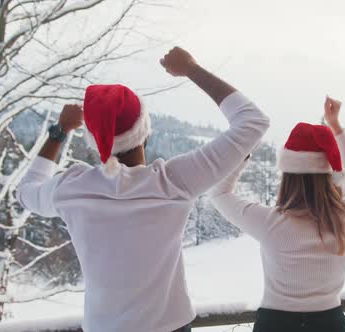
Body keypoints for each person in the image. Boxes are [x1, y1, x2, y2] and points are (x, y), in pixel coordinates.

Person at [16, 47, 270, 332]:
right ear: (145, 131)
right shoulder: (173, 182)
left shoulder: (71, 188)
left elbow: (26, 192)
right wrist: (191, 69)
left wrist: (60, 131)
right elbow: (253, 122)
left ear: (94, 140)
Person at [209, 96, 345, 332]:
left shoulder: (270, 223)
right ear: (332, 175)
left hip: (275, 325)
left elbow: (219, 193)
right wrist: (334, 125)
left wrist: (244, 153)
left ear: (287, 175)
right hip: (330, 325)